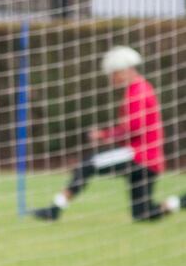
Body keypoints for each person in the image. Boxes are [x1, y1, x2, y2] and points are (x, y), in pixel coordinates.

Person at [29, 46, 172, 222]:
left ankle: (55, 209)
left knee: (87, 164)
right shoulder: (142, 88)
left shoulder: (137, 92)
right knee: (143, 214)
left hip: (139, 156)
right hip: (152, 161)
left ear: (124, 70)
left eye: (113, 73)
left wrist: (103, 135)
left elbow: (133, 128)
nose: (111, 78)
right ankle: (178, 203)